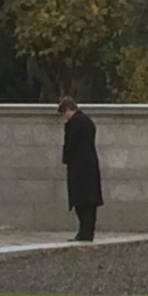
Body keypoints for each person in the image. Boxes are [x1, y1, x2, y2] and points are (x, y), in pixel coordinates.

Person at [59, 97, 103, 242]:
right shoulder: (88, 122)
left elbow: (70, 145)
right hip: (91, 164)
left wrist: (66, 158)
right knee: (90, 202)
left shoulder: (73, 124)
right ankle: (89, 232)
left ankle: (83, 233)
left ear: (67, 110)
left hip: (78, 166)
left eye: (64, 113)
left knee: (80, 201)